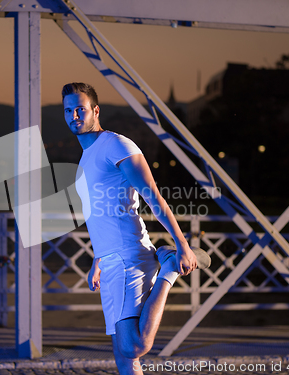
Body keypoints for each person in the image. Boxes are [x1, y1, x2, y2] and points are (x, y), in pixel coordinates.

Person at [62, 82, 197, 375]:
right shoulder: (87, 158)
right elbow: (101, 214)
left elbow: (153, 196)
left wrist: (182, 245)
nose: (74, 115)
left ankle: (169, 270)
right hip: (110, 261)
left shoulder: (116, 145)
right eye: (68, 110)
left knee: (133, 346)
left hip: (128, 256)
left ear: (95, 111)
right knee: (123, 358)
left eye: (80, 109)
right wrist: (98, 259)